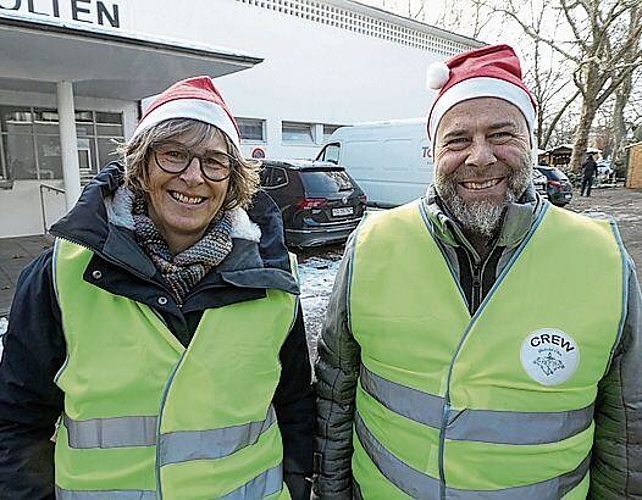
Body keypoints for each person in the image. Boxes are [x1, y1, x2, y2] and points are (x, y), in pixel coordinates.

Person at [314, 44, 642, 499]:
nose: (480, 156)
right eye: (458, 140)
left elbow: (628, 424)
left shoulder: (600, 256)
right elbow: (336, 392)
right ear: (433, 153)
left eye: (501, 134)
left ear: (532, 145)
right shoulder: (374, 244)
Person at [0, 76, 314, 499]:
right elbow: (18, 420)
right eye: (174, 155)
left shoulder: (274, 278)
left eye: (214, 162)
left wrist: (294, 484)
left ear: (233, 180)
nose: (193, 176)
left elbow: (293, 403)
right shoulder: (61, 273)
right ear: (141, 165)